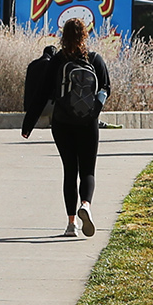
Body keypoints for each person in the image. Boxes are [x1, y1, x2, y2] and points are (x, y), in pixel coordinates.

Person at [25, 15, 110, 236]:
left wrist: (28, 124)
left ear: (63, 36)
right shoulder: (95, 59)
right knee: (88, 171)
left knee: (70, 171)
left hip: (62, 122)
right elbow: (105, 89)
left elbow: (42, 93)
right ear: (85, 35)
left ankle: (71, 224)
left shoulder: (57, 61)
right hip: (87, 122)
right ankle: (86, 206)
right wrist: (94, 112)